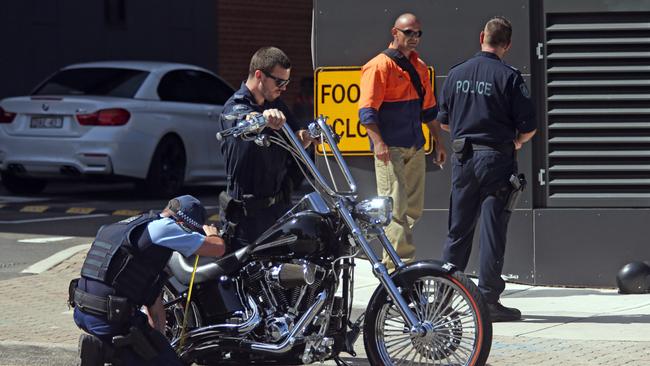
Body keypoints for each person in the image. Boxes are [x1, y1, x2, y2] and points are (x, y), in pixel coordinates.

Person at [436, 16, 537, 322]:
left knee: (458, 231)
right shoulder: (509, 76)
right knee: (494, 231)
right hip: (496, 159)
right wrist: (516, 142)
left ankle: (442, 297)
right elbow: (529, 127)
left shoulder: (456, 74)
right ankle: (489, 301)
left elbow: (443, 121)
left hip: (463, 159)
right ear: (506, 45)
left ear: (482, 36)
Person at [69, 195, 225, 365]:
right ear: (182, 224)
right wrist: (212, 235)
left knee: (150, 352)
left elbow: (152, 303)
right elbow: (218, 249)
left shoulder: (129, 227)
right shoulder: (166, 228)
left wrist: (157, 342)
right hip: (109, 318)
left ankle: (104, 347)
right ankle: (104, 349)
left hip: (83, 310)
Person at [358, 13, 446, 269]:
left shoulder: (419, 67)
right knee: (394, 209)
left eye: (418, 33)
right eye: (409, 32)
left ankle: (391, 264)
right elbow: (367, 112)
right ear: (394, 32)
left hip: (415, 145)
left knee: (412, 210)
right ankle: (401, 268)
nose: (414, 38)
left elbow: (429, 111)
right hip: (390, 147)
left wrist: (438, 142)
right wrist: (379, 143)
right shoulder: (378, 66)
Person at [219, 46, 314, 250]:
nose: (284, 88)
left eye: (287, 82)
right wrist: (261, 119)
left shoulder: (277, 104)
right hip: (246, 218)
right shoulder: (235, 106)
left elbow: (297, 136)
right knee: (244, 277)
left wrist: (308, 137)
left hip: (278, 212)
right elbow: (242, 119)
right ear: (260, 75)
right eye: (279, 82)